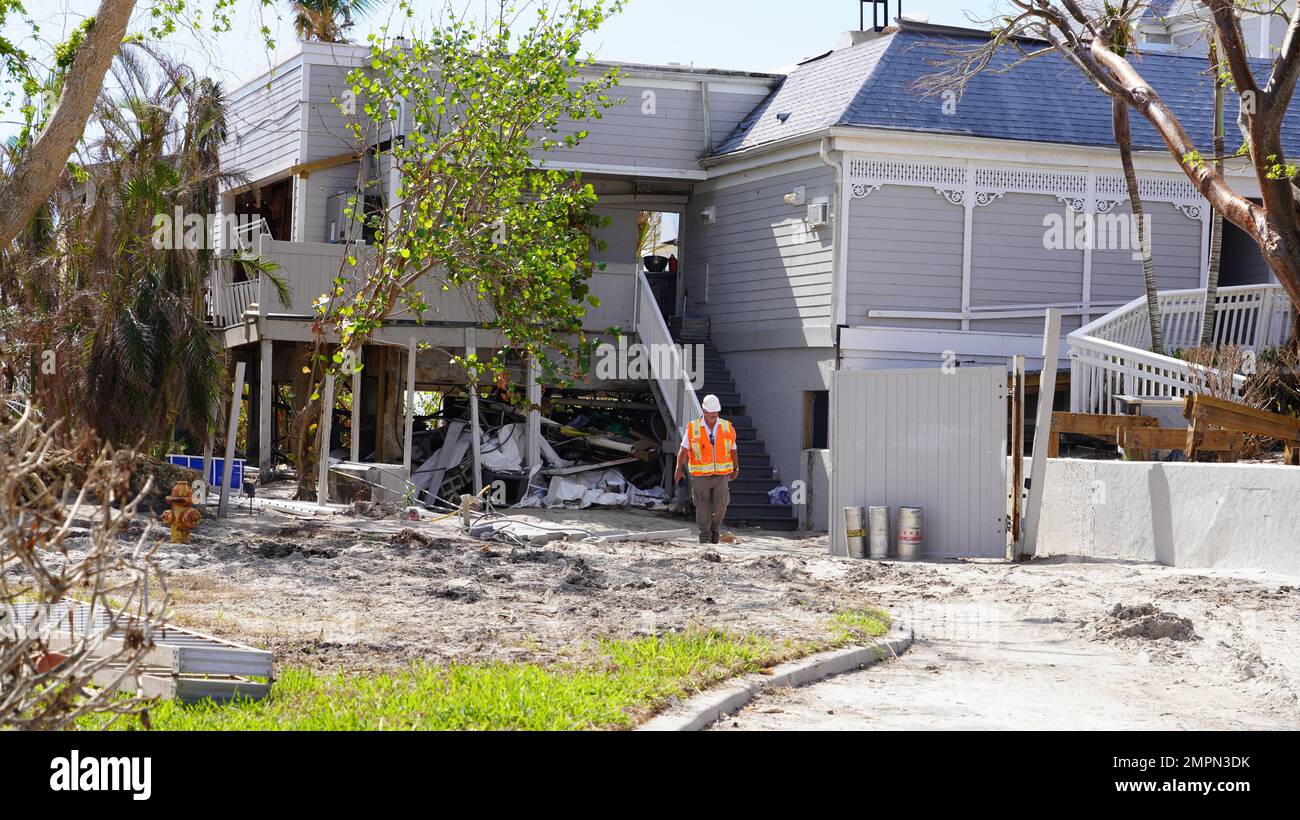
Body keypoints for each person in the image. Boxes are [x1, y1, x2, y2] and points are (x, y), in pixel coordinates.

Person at [674, 394, 739, 544]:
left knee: (721, 504)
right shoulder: (693, 428)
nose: (714, 415)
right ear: (704, 410)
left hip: (722, 475)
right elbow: (683, 450)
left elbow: (733, 450)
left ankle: (715, 531)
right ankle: (704, 536)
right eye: (711, 411)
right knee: (702, 506)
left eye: (716, 412)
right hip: (700, 476)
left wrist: (735, 468)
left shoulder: (727, 427)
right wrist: (678, 468)